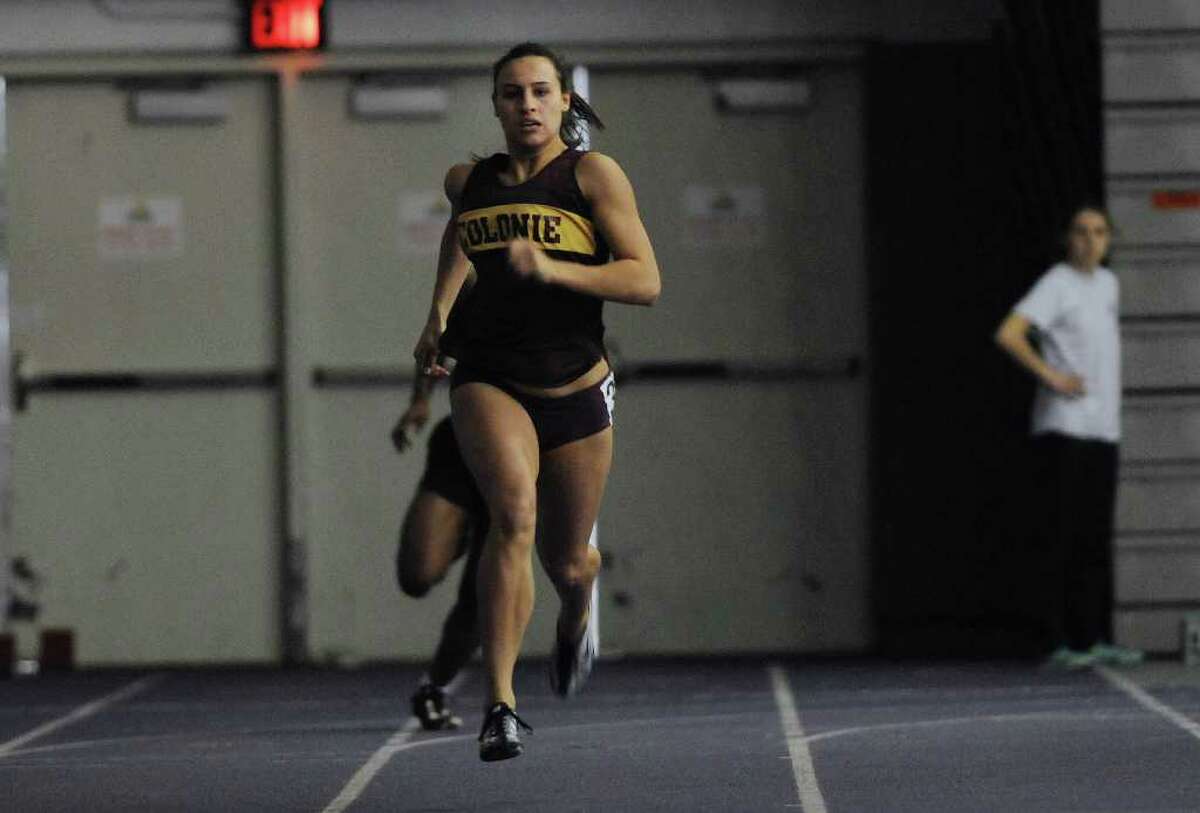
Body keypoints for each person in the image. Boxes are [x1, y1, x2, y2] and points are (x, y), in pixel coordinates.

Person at [413, 41, 660, 761]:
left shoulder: (591, 175)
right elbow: (463, 233)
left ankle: (578, 606)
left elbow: (644, 280)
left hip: (576, 385)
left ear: (562, 102)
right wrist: (437, 312)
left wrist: (552, 268)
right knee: (511, 513)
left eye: (540, 93)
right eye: (512, 94)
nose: (526, 105)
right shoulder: (470, 179)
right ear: (494, 104)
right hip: (491, 373)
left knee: (567, 560)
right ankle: (501, 702)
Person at [994, 205, 1142, 670]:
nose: (1090, 241)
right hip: (1065, 426)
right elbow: (1010, 333)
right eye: (1081, 232)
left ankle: (1090, 636)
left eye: (1099, 232)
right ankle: (1054, 638)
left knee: (1093, 539)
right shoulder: (1058, 282)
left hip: (1103, 427)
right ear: (1068, 238)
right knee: (1060, 534)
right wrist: (1051, 375)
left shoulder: (1108, 285)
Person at [392, 363, 487, 731]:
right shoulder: (472, 305)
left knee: (481, 595)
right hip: (463, 443)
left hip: (526, 453)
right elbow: (437, 345)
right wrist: (419, 400)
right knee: (416, 576)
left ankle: (435, 687)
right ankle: (459, 532)